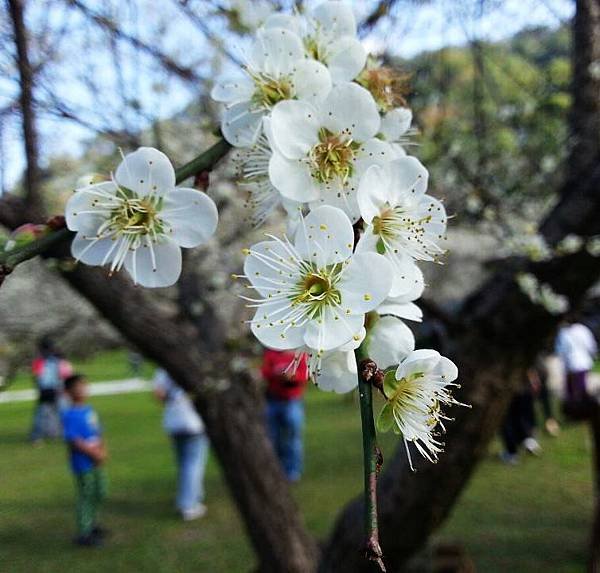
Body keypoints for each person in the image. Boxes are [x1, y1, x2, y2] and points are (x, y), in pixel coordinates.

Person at [153, 369, 209, 521]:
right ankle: (188, 504)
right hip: (193, 421)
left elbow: (158, 394)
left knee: (183, 462)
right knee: (193, 463)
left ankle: (190, 496)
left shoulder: (163, 371)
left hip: (174, 421)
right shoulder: (193, 363)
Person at [62, 374, 108, 547]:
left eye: (84, 385)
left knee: (100, 491)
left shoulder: (89, 410)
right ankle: (83, 533)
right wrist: (93, 453)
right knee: (86, 495)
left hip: (96, 459)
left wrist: (102, 451)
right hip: (83, 462)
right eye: (77, 387)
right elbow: (74, 440)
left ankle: (92, 523)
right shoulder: (70, 415)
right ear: (68, 392)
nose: (82, 389)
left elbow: (98, 432)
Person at [262, 349, 309, 482]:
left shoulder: (299, 354)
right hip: (274, 400)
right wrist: (277, 374)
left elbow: (305, 375)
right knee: (274, 436)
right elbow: (264, 372)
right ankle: (278, 469)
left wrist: (292, 376)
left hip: (292, 401)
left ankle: (293, 471)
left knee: (292, 437)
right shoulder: (272, 355)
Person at [30, 337, 73, 444]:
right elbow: (37, 377)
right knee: (45, 414)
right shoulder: (45, 361)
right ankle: (37, 436)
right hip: (51, 391)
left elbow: (37, 377)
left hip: (53, 390)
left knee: (57, 413)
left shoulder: (53, 360)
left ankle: (38, 436)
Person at [555, 319, 598, 401]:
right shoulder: (583, 329)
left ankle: (577, 406)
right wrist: (593, 354)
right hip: (582, 362)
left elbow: (560, 350)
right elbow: (591, 345)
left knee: (572, 390)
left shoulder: (563, 332)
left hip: (570, 364)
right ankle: (581, 405)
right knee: (581, 388)